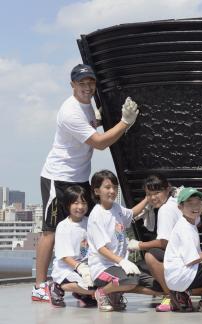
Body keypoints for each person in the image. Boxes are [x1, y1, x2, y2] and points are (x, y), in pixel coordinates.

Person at [33, 63, 140, 302]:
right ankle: (39, 285)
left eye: (90, 82)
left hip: (80, 177)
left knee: (84, 231)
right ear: (72, 85)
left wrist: (106, 116)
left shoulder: (87, 105)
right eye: (81, 83)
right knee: (50, 231)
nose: (87, 87)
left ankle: (84, 282)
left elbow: (92, 124)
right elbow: (100, 143)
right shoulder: (70, 111)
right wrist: (124, 122)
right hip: (57, 177)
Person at [87, 170, 158, 312]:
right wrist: (122, 261)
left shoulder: (116, 208)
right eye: (107, 187)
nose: (112, 191)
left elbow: (131, 214)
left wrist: (147, 198)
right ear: (96, 191)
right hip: (103, 267)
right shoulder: (96, 215)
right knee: (130, 280)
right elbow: (101, 248)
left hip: (120, 267)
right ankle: (101, 293)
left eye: (115, 187)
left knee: (157, 283)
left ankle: (115, 292)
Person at [127, 174, 181, 312]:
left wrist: (138, 245)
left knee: (148, 258)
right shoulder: (177, 201)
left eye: (157, 192)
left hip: (179, 258)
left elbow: (163, 242)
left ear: (167, 189)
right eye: (148, 194)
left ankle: (170, 295)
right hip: (185, 253)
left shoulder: (165, 210)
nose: (152, 198)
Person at [49, 185, 97, 308]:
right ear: (68, 205)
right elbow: (64, 257)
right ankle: (58, 286)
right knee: (92, 288)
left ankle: (82, 294)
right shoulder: (63, 226)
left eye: (84, 203)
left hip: (86, 266)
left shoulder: (89, 222)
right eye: (76, 203)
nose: (80, 207)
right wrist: (80, 267)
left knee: (101, 283)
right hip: (68, 268)